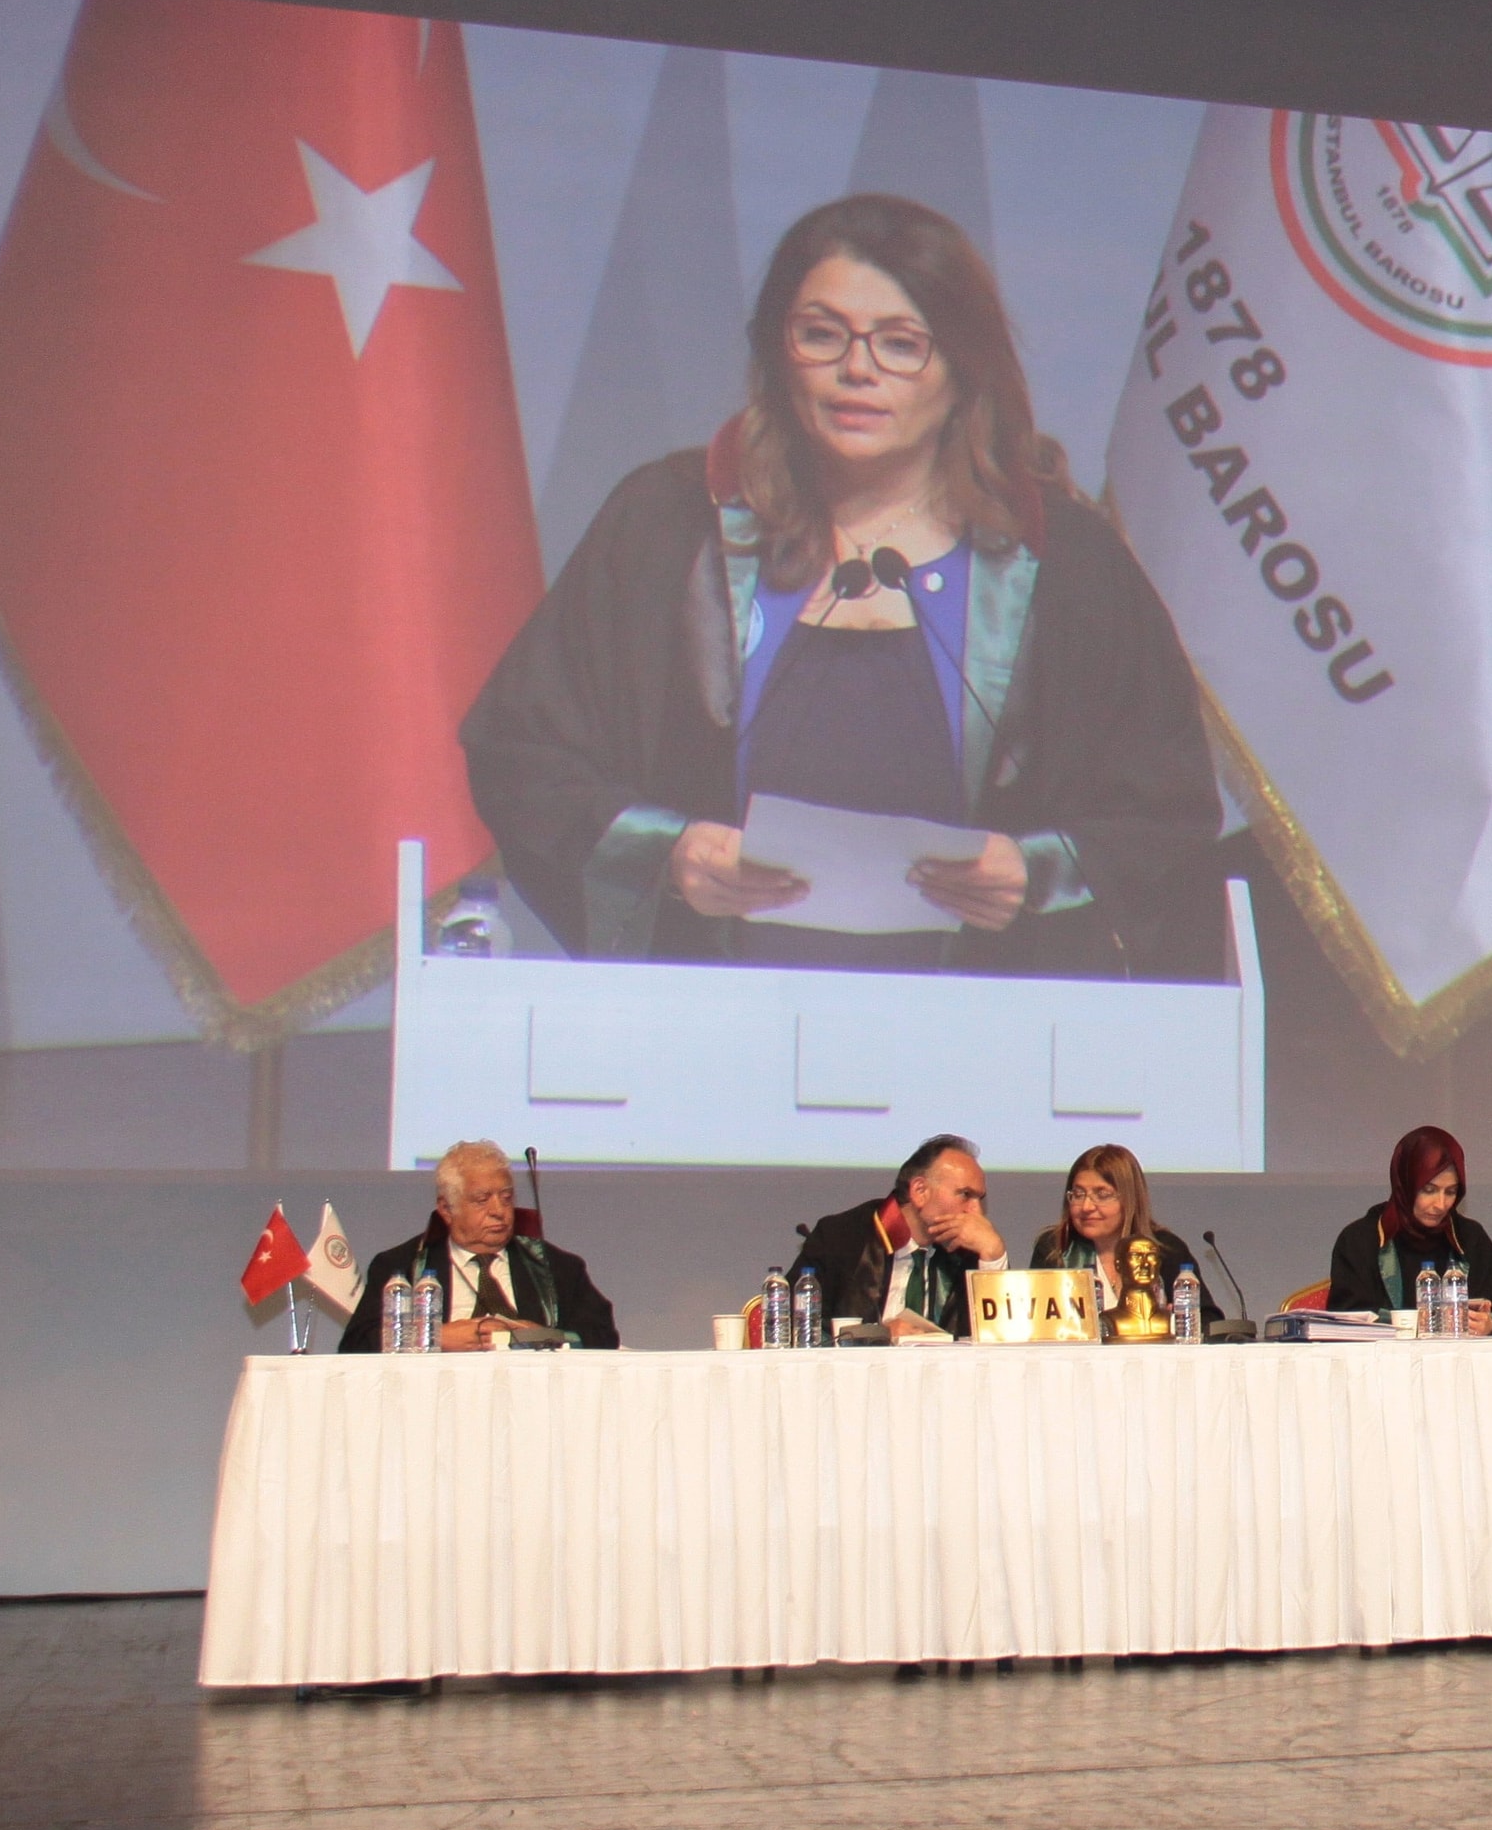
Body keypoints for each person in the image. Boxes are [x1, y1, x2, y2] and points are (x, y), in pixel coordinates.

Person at [462, 194, 1224, 976]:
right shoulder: (669, 527)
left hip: (982, 1027)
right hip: (709, 1018)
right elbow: (523, 757)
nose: (858, 369)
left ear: (963, 369)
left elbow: (1164, 816)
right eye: (822, 334)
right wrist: (669, 854)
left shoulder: (1063, 563)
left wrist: (1036, 872)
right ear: (777, 351)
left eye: (901, 344)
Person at [343, 1141, 622, 1350]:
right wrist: (433, 1337)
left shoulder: (557, 1267)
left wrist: (544, 1337)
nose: (499, 1211)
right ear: (447, 1209)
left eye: (506, 1198)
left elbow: (603, 1336)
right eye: (482, 1200)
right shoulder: (402, 1266)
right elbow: (356, 1344)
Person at [786, 1134, 1010, 1340]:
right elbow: (795, 1326)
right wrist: (878, 1334)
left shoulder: (970, 1252)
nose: (976, 1212)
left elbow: (1001, 1338)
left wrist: (993, 1255)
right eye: (965, 1194)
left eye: (980, 1199)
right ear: (920, 1191)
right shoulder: (841, 1237)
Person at [1311, 1124, 1492, 1323]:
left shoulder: (1470, 1238)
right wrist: (1414, 1323)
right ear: (1405, 1184)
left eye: (1450, 1192)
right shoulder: (1360, 1240)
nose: (1440, 1204)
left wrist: (1489, 1323)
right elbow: (1348, 1318)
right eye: (1429, 1190)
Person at [1025, 1142, 1219, 1324]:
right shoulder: (1057, 1248)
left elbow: (1210, 1320)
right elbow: (1034, 1320)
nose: (1086, 1206)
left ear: (1129, 1199)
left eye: (1102, 1195)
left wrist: (1177, 1321)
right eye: (1078, 1194)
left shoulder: (1165, 1249)